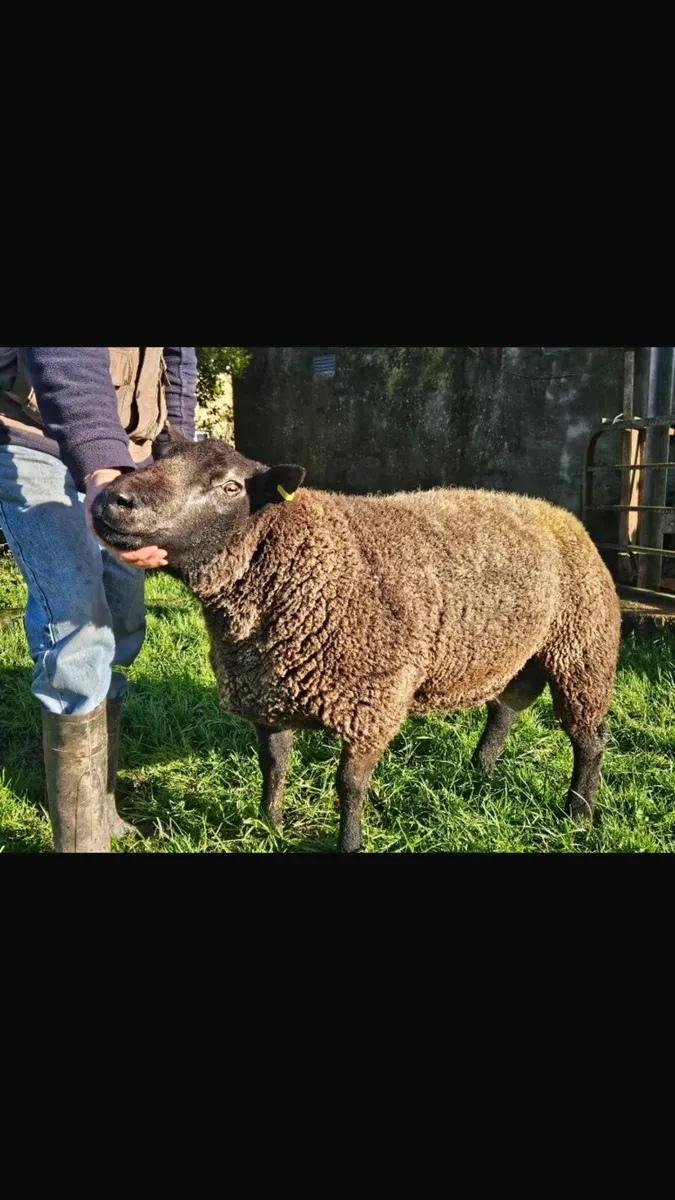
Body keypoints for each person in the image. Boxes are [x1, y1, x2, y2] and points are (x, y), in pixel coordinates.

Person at [0, 347, 197, 852]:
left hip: (132, 450)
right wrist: (102, 470)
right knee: (79, 629)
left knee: (122, 624)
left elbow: (178, 360)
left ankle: (100, 809)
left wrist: (176, 452)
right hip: (28, 434)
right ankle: (81, 844)